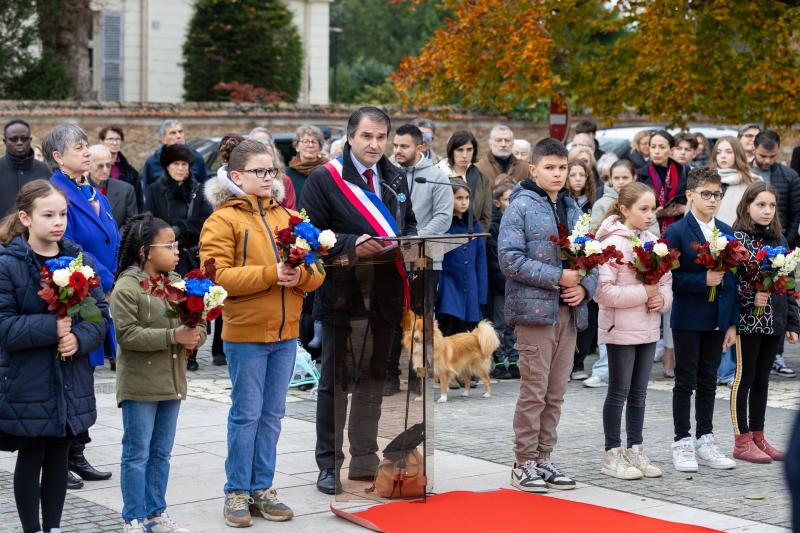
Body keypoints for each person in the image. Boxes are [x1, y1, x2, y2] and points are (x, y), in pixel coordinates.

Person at [201, 138, 325, 527]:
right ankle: (236, 491)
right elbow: (216, 277)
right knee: (246, 415)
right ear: (237, 176)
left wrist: (300, 274)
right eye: (260, 171)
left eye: (272, 170)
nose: (269, 178)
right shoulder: (222, 220)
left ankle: (262, 487)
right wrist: (272, 274)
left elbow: (317, 271)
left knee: (272, 415)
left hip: (286, 332)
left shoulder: (288, 216)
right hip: (246, 333)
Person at [299, 106, 417, 496]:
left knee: (373, 381)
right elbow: (308, 235)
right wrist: (354, 245)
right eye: (367, 136)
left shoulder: (395, 177)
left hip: (383, 296)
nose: (375, 144)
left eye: (381, 137)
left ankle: (365, 457)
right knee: (336, 384)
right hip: (342, 298)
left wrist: (411, 244)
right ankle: (329, 464)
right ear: (350, 137)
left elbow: (408, 224)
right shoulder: (324, 178)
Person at [0, 180, 109, 533]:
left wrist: (79, 337)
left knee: (60, 456)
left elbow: (100, 316)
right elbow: (4, 327)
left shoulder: (80, 261)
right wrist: (52, 327)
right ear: (25, 218)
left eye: (62, 214)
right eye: (48, 215)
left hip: (70, 377)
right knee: (32, 457)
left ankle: (55, 528)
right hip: (28, 379)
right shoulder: (9, 265)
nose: (58, 222)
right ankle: (33, 529)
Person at [500, 138, 598, 493]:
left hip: (568, 313)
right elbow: (509, 259)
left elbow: (592, 258)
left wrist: (584, 286)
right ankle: (522, 461)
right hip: (534, 313)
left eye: (562, 168)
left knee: (556, 392)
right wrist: (558, 277)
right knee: (534, 391)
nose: (558, 174)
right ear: (534, 170)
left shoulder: (572, 208)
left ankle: (544, 458)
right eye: (550, 168)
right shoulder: (520, 207)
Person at [112, 214, 205, 533]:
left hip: (172, 382)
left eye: (177, 245)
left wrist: (196, 335)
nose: (177, 251)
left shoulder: (176, 281)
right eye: (169, 245)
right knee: (137, 453)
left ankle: (156, 513)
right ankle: (133, 517)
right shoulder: (127, 286)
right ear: (145, 251)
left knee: (161, 454)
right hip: (140, 385)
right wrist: (172, 337)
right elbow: (127, 336)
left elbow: (199, 322)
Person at [45, 124, 117, 488]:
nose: (87, 151)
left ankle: (78, 452)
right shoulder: (55, 194)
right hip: (76, 293)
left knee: (86, 377)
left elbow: (109, 239)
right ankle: (59, 457)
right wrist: (107, 279)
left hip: (100, 294)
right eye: (78, 147)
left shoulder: (95, 193)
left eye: (87, 145)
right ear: (58, 157)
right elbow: (71, 247)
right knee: (69, 378)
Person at [594, 182, 671, 480]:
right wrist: (646, 292)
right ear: (624, 209)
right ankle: (612, 453)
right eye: (643, 209)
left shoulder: (653, 240)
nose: (650, 215)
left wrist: (661, 300)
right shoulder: (611, 243)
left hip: (649, 327)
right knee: (619, 392)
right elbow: (604, 292)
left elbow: (666, 283)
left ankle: (635, 447)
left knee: (639, 393)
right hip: (621, 328)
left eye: (653, 209)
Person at [664, 167, 738, 473]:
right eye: (706, 194)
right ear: (691, 195)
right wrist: (701, 279)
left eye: (717, 194)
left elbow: (732, 281)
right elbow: (670, 277)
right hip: (687, 317)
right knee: (685, 381)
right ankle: (682, 440)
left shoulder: (726, 230)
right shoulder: (677, 232)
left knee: (709, 380)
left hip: (716, 319)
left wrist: (732, 323)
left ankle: (705, 438)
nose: (712, 200)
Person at [731, 182, 800, 464]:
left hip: (775, 319)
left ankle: (759, 435)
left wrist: (793, 324)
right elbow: (729, 282)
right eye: (761, 205)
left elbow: (789, 283)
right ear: (747, 205)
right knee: (744, 379)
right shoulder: (736, 239)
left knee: (762, 380)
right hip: (748, 321)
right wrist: (750, 297)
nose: (767, 211)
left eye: (772, 206)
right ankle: (742, 439)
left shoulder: (779, 239)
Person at [384, 124, 453, 396]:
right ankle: (390, 375)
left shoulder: (436, 177)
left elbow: (444, 217)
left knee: (421, 320)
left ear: (420, 147)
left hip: (425, 261)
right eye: (396, 145)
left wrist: (415, 239)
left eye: (404, 146)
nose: (397, 151)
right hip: (391, 258)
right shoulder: (386, 174)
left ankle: (418, 375)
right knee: (391, 316)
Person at [751, 129, 800, 378]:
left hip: (782, 244)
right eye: (762, 155)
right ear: (753, 149)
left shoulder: (790, 176)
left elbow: (795, 212)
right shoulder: (747, 173)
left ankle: (777, 353)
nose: (767, 161)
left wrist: (787, 245)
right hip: (752, 244)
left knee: (780, 297)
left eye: (771, 156)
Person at [145, 144, 213, 276]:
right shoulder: (154, 190)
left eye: (184, 164)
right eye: (176, 164)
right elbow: (148, 221)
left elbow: (207, 222)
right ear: (167, 166)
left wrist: (182, 227)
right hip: (163, 256)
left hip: (192, 257)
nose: (180, 168)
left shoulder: (199, 190)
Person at [437, 177, 487, 336]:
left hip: (470, 286)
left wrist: (481, 294)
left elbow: (481, 261)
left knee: (467, 335)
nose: (464, 202)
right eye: (459, 198)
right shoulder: (442, 223)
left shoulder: (474, 224)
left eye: (467, 198)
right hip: (448, 285)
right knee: (448, 331)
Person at [487, 178, 518, 380]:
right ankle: (499, 361)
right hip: (500, 284)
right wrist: (505, 281)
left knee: (514, 325)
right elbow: (494, 258)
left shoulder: (519, 222)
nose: (512, 203)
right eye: (508, 199)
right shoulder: (494, 226)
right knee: (499, 325)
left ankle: (514, 362)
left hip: (517, 283)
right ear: (497, 202)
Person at [636, 130, 689, 237]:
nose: (656, 151)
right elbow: (636, 207)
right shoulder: (640, 174)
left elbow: (693, 199)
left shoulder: (684, 171)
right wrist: (656, 213)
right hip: (650, 230)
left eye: (662, 147)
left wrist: (684, 208)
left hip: (681, 227)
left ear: (672, 150)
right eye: (653, 147)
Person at [437, 130, 492, 232]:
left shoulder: (481, 178)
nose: (465, 155)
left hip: (473, 237)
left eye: (469, 149)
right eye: (460, 150)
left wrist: (476, 239)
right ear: (451, 151)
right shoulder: (438, 174)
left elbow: (486, 217)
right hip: (442, 238)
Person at [0, 119, 51, 216]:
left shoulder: (44, 170)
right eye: (14, 139)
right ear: (5, 141)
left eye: (24, 139)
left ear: (30, 140)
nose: (19, 143)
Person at [141, 119, 207, 189]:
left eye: (180, 132)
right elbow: (147, 192)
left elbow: (204, 190)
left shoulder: (197, 158)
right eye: (173, 133)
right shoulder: (152, 162)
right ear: (164, 139)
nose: (178, 136)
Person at [710, 136, 759, 227]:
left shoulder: (751, 182)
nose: (723, 156)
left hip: (739, 235)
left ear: (737, 154)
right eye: (718, 152)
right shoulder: (706, 179)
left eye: (729, 152)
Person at [88, 144, 138, 228]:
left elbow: (132, 223)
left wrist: (115, 239)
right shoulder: (77, 189)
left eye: (108, 165)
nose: (105, 170)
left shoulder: (126, 190)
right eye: (100, 166)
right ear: (88, 166)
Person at [248, 127, 298, 209]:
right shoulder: (244, 179)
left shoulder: (284, 180)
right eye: (257, 142)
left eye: (266, 141)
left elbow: (290, 212)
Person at [99, 126, 144, 212]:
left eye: (118, 139)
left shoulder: (132, 173)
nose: (114, 142)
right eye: (110, 139)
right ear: (101, 142)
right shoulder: (90, 168)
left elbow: (139, 203)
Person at [285, 125, 329, 199]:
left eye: (314, 142)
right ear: (297, 147)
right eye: (305, 141)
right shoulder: (288, 173)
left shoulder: (328, 170)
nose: (310, 145)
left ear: (320, 147)